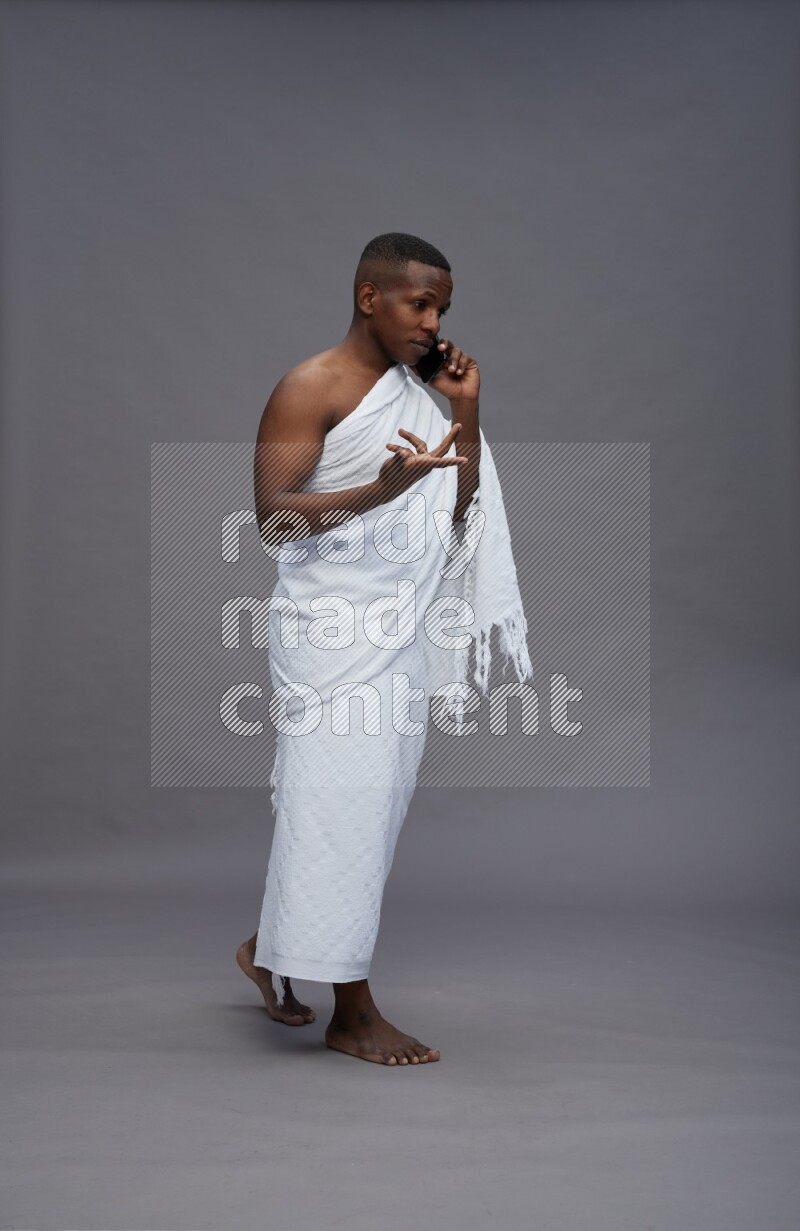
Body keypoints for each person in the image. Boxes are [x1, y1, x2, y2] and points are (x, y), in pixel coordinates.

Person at [237, 232, 530, 1066]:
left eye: (442, 308)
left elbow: (461, 506)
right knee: (339, 807)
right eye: (420, 303)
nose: (433, 322)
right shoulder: (310, 388)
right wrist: (383, 488)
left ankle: (268, 950)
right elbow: (274, 520)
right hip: (329, 633)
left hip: (398, 626)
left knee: (367, 812)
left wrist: (465, 410)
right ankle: (352, 1011)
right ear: (370, 296)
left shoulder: (422, 395)